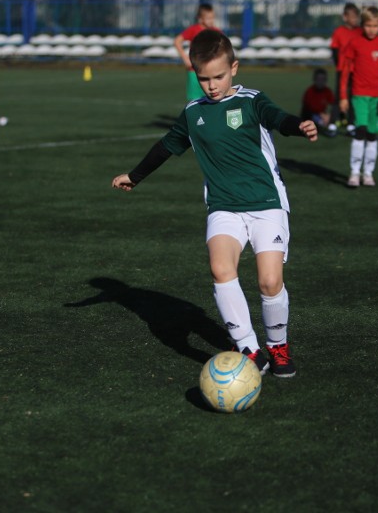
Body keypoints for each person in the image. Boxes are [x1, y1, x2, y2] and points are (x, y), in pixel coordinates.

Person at [111, 29, 318, 378]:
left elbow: (278, 119)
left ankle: (278, 346)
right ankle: (250, 350)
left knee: (269, 282)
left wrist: (300, 125)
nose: (212, 85)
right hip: (224, 206)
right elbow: (165, 147)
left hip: (266, 203)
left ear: (234, 68)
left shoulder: (252, 101)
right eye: (204, 78)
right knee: (222, 270)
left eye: (218, 76)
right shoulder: (194, 114)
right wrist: (135, 175)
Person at [338, 6, 378, 188]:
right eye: (368, 25)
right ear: (362, 25)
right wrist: (343, 96)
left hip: (377, 97)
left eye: (375, 26)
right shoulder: (354, 43)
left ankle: (368, 173)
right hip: (358, 95)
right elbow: (345, 71)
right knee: (360, 131)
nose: (371, 29)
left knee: (372, 134)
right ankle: (355, 172)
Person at [173, 3, 220, 101]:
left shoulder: (216, 31)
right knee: (195, 100)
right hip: (194, 71)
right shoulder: (193, 29)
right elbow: (177, 41)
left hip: (211, 71)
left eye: (213, 18)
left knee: (212, 99)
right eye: (208, 18)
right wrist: (185, 58)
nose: (211, 21)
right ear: (201, 18)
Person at [329, 2, 362, 129]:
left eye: (356, 17)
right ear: (345, 17)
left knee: (354, 95)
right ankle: (333, 121)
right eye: (352, 16)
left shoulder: (359, 32)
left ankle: (351, 122)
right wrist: (340, 66)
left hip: (356, 70)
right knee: (339, 95)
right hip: (343, 69)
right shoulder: (339, 32)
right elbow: (335, 50)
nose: (355, 19)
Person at [300, 68, 336, 135]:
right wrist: (322, 114)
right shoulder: (310, 91)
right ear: (315, 79)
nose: (320, 82)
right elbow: (310, 107)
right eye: (319, 79)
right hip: (310, 116)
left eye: (323, 79)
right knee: (319, 121)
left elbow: (334, 104)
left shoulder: (327, 91)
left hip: (323, 115)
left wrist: (329, 115)